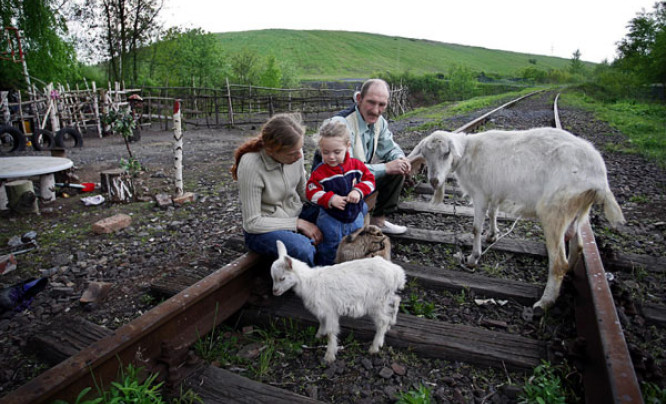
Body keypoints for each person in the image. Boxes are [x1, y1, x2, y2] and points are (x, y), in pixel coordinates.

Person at [231, 113, 322, 266]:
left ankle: (332, 268)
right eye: (293, 153)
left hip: (295, 213)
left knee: (335, 217)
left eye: (301, 149)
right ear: (271, 151)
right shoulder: (251, 165)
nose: (300, 156)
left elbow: (303, 194)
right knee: (303, 249)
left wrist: (328, 197)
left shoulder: (295, 156)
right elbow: (252, 223)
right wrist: (298, 223)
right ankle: (313, 285)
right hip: (264, 229)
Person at [321, 78, 411, 235]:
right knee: (389, 168)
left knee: (396, 168)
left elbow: (390, 148)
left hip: (357, 180)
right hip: (335, 185)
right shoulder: (341, 124)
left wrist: (400, 158)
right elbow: (343, 170)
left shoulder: (379, 122)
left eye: (381, 105)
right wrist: (386, 167)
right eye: (371, 102)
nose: (376, 110)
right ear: (359, 99)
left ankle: (379, 221)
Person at [306, 121, 376, 265]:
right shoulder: (319, 172)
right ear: (321, 149)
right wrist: (329, 198)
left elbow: (370, 181)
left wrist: (358, 190)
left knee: (354, 245)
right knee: (329, 249)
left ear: (347, 147)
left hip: (354, 217)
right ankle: (326, 274)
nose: (331, 157)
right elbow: (311, 191)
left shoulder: (356, 165)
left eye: (337, 152)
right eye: (326, 152)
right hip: (330, 220)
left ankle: (351, 271)